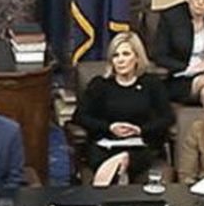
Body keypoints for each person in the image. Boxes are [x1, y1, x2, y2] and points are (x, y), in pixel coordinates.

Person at [72, 32, 173, 185]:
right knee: (107, 158)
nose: (120, 60)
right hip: (106, 145)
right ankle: (119, 168)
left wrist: (140, 129)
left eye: (126, 54)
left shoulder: (151, 84)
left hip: (140, 146)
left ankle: (118, 168)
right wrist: (109, 127)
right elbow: (79, 116)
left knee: (131, 157)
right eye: (115, 55)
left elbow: (167, 117)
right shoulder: (100, 85)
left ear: (137, 57)